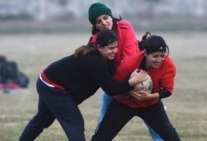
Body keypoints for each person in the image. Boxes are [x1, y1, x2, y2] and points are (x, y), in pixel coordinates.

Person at [18, 30, 147, 141]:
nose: (115, 51)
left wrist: (142, 47)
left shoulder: (105, 58)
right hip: (52, 85)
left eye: (116, 47)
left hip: (48, 80)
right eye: (111, 48)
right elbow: (110, 89)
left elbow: (113, 80)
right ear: (100, 47)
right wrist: (134, 81)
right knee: (75, 123)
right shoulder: (94, 61)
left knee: (43, 119)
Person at [87, 3, 163, 140]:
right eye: (98, 21)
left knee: (159, 126)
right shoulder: (95, 42)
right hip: (115, 87)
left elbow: (130, 59)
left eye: (105, 18)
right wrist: (122, 90)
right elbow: (101, 71)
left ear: (111, 16)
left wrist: (131, 84)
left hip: (139, 81)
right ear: (95, 26)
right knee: (104, 126)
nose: (104, 23)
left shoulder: (125, 26)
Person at [91, 35, 181, 141]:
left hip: (151, 105)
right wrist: (127, 92)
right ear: (145, 53)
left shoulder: (168, 65)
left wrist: (149, 96)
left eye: (162, 55)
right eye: (155, 56)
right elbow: (114, 89)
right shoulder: (129, 65)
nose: (159, 60)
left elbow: (167, 90)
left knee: (171, 136)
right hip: (123, 104)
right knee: (101, 137)